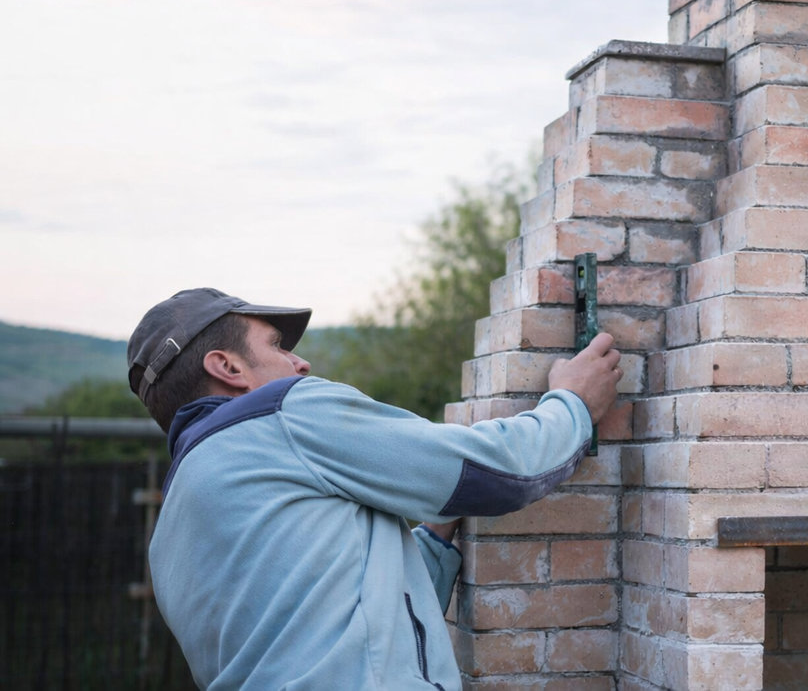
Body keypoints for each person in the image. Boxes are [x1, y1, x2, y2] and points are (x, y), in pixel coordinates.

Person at [127, 287, 621, 691]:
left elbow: (363, 627)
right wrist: (573, 403)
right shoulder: (284, 413)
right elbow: (497, 472)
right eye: (277, 345)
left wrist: (435, 532)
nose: (300, 364)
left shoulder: (171, 531)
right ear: (228, 367)